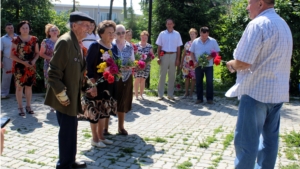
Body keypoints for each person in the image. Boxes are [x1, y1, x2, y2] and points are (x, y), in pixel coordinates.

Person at [225, 0, 293, 168]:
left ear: (260, 3)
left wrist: (231, 64)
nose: (248, 7)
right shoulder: (283, 24)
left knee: (246, 144)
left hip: (256, 93)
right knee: (269, 143)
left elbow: (243, 62)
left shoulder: (258, 24)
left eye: (250, 3)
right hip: (277, 93)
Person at [44, 11, 96, 169]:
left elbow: (78, 72)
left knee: (71, 130)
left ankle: (70, 161)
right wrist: (61, 95)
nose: (88, 29)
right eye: (85, 25)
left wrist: (88, 86)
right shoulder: (65, 41)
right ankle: (64, 165)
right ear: (74, 26)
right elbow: (53, 73)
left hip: (72, 96)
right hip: (65, 97)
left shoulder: (77, 43)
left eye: (90, 26)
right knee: (67, 132)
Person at [85, 20, 117, 147]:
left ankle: (101, 136)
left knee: (104, 110)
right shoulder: (95, 46)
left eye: (113, 32)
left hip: (108, 83)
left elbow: (116, 63)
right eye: (109, 32)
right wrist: (92, 82)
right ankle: (95, 139)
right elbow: (88, 65)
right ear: (101, 33)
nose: (112, 35)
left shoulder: (113, 47)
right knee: (95, 110)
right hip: (96, 84)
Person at [10, 21, 39, 116]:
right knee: (19, 87)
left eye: (27, 28)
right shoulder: (15, 40)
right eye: (23, 28)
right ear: (19, 29)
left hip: (30, 66)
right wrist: (23, 62)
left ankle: (28, 106)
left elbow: (37, 53)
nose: (25, 30)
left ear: (29, 29)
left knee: (29, 87)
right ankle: (20, 107)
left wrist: (34, 61)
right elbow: (12, 55)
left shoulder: (34, 39)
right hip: (19, 66)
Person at [111, 24, 135, 135]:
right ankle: (105, 128)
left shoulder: (129, 46)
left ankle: (121, 127)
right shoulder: (111, 45)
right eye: (118, 33)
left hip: (126, 77)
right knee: (110, 100)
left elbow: (132, 61)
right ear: (115, 34)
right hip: (113, 77)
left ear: (126, 33)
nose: (121, 35)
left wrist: (129, 66)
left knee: (122, 101)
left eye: (123, 33)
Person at [190, 27, 220, 104]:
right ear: (200, 33)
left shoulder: (213, 41)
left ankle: (209, 99)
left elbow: (217, 52)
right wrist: (194, 61)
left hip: (209, 65)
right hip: (198, 65)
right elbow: (191, 52)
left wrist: (211, 57)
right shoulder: (195, 41)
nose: (204, 37)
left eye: (205, 36)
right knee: (198, 82)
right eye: (202, 36)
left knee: (209, 82)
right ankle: (199, 98)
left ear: (208, 34)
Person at [156, 19, 183, 100]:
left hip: (173, 55)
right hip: (164, 55)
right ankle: (160, 94)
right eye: (168, 24)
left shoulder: (177, 34)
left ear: (173, 24)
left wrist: (178, 59)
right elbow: (159, 47)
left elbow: (178, 48)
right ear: (166, 25)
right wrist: (158, 57)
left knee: (172, 76)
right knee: (162, 75)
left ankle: (170, 94)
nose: (169, 25)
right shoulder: (162, 34)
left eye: (171, 23)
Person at [134, 31, 153, 100]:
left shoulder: (149, 46)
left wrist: (146, 64)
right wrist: (137, 64)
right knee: (137, 79)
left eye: (145, 37)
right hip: (137, 66)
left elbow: (151, 57)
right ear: (140, 37)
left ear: (147, 38)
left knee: (143, 80)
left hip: (146, 66)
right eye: (142, 37)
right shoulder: (136, 45)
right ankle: (136, 95)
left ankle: (141, 94)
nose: (144, 38)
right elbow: (134, 56)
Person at [39, 24, 60, 89]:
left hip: (60, 65)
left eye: (56, 30)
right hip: (49, 65)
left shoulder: (62, 41)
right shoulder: (46, 42)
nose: (54, 31)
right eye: (52, 30)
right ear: (49, 33)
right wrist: (51, 58)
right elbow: (41, 54)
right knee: (50, 84)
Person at [1, 23, 17, 99]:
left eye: (11, 27)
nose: (10, 29)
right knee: (6, 77)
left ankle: (20, 93)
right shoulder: (2, 39)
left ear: (13, 28)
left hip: (18, 60)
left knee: (19, 76)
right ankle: (3, 93)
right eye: (8, 28)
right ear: (5, 29)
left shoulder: (18, 37)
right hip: (7, 59)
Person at [180, 28, 198, 99]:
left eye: (193, 34)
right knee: (187, 78)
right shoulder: (187, 43)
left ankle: (191, 93)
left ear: (196, 35)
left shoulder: (198, 43)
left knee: (193, 78)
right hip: (186, 63)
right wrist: (181, 63)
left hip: (194, 63)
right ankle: (186, 92)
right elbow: (184, 53)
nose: (192, 35)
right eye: (191, 34)